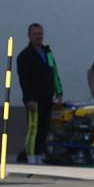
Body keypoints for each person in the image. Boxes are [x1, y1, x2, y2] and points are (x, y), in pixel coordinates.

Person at [17, 23, 63, 165]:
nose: (38, 36)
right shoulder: (24, 56)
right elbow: (24, 80)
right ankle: (30, 157)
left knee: (44, 128)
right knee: (33, 129)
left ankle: (38, 154)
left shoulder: (47, 52)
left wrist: (58, 91)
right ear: (29, 36)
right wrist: (28, 99)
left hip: (47, 97)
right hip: (34, 100)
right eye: (35, 34)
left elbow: (54, 72)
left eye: (40, 34)